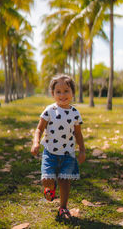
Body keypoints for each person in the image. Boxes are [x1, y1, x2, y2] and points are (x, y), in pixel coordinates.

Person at [31, 74, 85, 220]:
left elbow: (78, 134)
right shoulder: (49, 110)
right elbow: (39, 129)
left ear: (73, 93)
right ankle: (51, 186)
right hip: (50, 153)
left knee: (65, 180)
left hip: (68, 154)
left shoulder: (74, 113)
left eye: (66, 91)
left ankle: (63, 207)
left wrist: (82, 150)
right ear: (53, 94)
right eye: (58, 92)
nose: (62, 95)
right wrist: (36, 142)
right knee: (46, 180)